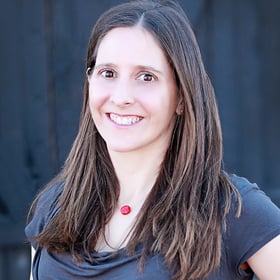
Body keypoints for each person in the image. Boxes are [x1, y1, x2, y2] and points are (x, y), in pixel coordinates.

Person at [25, 0, 280, 279]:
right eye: (107, 73)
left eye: (146, 77)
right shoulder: (52, 208)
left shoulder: (233, 211)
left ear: (181, 96)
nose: (122, 97)